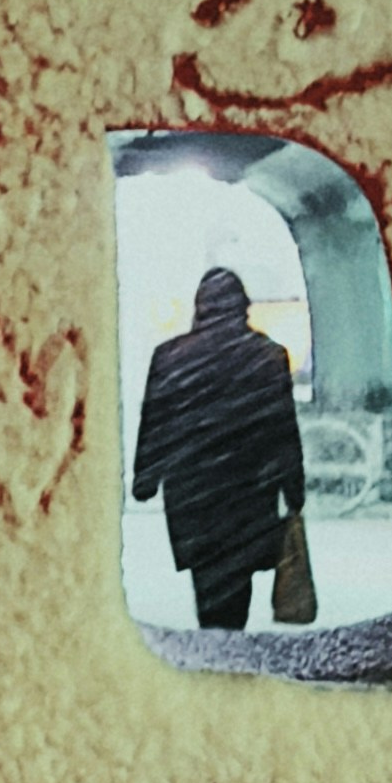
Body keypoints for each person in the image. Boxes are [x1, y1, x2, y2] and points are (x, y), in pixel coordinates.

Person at [130, 258, 304, 630]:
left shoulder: (170, 357)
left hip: (194, 491)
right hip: (249, 490)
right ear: (243, 306)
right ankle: (229, 645)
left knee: (207, 579)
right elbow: (282, 428)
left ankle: (213, 643)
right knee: (236, 577)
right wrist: (293, 489)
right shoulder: (268, 356)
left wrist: (146, 478)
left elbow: (156, 422)